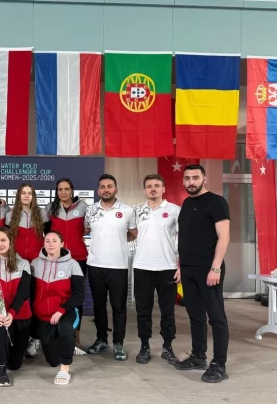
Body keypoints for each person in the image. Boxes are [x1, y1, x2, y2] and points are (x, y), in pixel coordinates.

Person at [175, 164, 230, 383]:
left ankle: (219, 364)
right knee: (195, 315)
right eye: (187, 178)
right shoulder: (187, 204)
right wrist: (181, 266)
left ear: (204, 179)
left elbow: (224, 237)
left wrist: (215, 268)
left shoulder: (216, 202)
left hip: (209, 269)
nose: (191, 182)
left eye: (195, 177)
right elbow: (186, 237)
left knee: (216, 317)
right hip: (188, 269)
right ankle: (198, 356)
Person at [84, 174, 136, 361]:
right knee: (99, 306)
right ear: (98, 190)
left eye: (109, 186)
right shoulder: (91, 210)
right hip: (95, 265)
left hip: (118, 267)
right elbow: (85, 230)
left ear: (116, 189)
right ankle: (101, 340)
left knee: (118, 307)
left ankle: (119, 343)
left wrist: (119, 240)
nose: (106, 189)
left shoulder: (127, 210)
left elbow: (134, 233)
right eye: (102, 187)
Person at [132, 174, 181, 365]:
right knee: (143, 310)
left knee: (167, 311)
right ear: (144, 190)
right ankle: (144, 346)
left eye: (156, 185)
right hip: (142, 267)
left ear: (163, 189)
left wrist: (180, 265)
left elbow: (183, 239)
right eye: (149, 186)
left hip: (167, 267)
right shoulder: (137, 211)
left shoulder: (175, 210)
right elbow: (132, 233)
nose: (153, 189)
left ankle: (168, 347)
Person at [31, 232, 84, 385]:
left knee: (65, 329)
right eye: (47, 241)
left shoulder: (73, 264)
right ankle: (67, 346)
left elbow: (79, 294)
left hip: (65, 311)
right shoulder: (35, 263)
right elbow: (30, 291)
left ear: (62, 244)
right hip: (42, 315)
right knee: (53, 361)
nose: (51, 244)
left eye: (54, 241)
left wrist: (61, 309)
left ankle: (65, 368)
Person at [0, 227, 31, 387]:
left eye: (3, 240)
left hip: (19, 314)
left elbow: (23, 293)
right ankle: (0, 368)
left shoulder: (24, 263)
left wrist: (12, 313)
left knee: (15, 364)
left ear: (11, 241)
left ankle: (5, 348)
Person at [46, 178, 89, 356]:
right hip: (57, 259)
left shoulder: (83, 207)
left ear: (72, 190)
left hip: (78, 258)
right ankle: (53, 333)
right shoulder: (50, 208)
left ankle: (75, 337)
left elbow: (87, 228)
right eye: (60, 189)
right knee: (56, 295)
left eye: (66, 189)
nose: (63, 192)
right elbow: (45, 231)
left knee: (76, 297)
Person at [6, 183, 48, 358]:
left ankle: (34, 337)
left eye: (29, 193)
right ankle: (15, 335)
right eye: (23, 192)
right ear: (18, 195)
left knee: (35, 301)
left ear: (33, 196)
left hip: (37, 265)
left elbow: (49, 238)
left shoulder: (42, 214)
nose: (26, 195)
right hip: (17, 265)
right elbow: (7, 240)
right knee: (19, 300)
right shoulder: (10, 215)